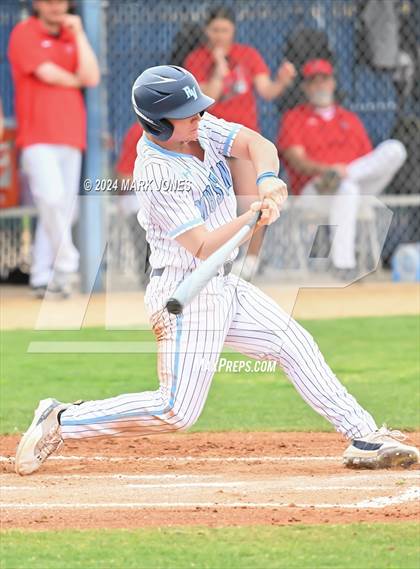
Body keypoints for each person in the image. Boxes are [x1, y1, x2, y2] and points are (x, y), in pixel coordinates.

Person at [15, 65, 418, 476]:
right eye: (186, 112)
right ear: (157, 122)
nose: (198, 116)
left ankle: (364, 435)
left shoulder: (197, 129)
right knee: (176, 411)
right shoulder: (158, 173)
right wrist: (253, 217)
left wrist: (265, 180)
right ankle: (62, 418)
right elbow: (204, 245)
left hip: (224, 283)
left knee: (293, 343)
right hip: (186, 290)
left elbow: (255, 143)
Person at [184, 5, 296, 280]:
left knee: (250, 202)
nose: (220, 35)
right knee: (209, 206)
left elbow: (266, 90)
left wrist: (282, 81)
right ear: (207, 31)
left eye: (225, 29)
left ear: (233, 30)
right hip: (209, 142)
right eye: (215, 30)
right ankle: (211, 263)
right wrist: (219, 67)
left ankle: (251, 262)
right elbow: (207, 96)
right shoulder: (197, 59)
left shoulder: (247, 55)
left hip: (241, 141)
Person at [277, 59, 407, 275]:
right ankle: (343, 264)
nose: (320, 85)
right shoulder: (294, 118)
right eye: (313, 81)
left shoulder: (349, 118)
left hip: (353, 184)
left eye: (324, 79)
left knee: (395, 149)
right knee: (347, 189)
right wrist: (326, 171)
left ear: (333, 83)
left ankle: (344, 176)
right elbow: (297, 160)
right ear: (305, 87)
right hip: (316, 191)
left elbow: (369, 161)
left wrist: (341, 173)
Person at [8, 0, 100, 297]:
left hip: (71, 134)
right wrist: (76, 81)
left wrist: (81, 35)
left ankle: (43, 276)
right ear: (36, 4)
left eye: (61, 0)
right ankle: (68, 261)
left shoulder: (72, 33)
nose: (55, 6)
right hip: (37, 135)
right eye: (48, 1)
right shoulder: (25, 31)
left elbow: (92, 76)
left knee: (63, 210)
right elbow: (47, 73)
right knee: (50, 198)